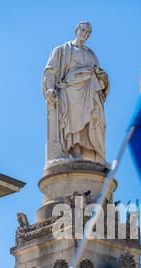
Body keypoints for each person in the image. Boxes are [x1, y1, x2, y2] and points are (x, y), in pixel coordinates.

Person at [43, 21, 109, 163]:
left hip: (90, 93)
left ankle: (92, 153)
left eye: (87, 32)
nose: (84, 34)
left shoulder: (91, 55)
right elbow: (50, 71)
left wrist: (105, 79)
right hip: (70, 92)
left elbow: (100, 78)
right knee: (73, 122)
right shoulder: (62, 50)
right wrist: (50, 88)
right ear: (76, 30)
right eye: (82, 30)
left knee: (94, 121)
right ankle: (74, 150)